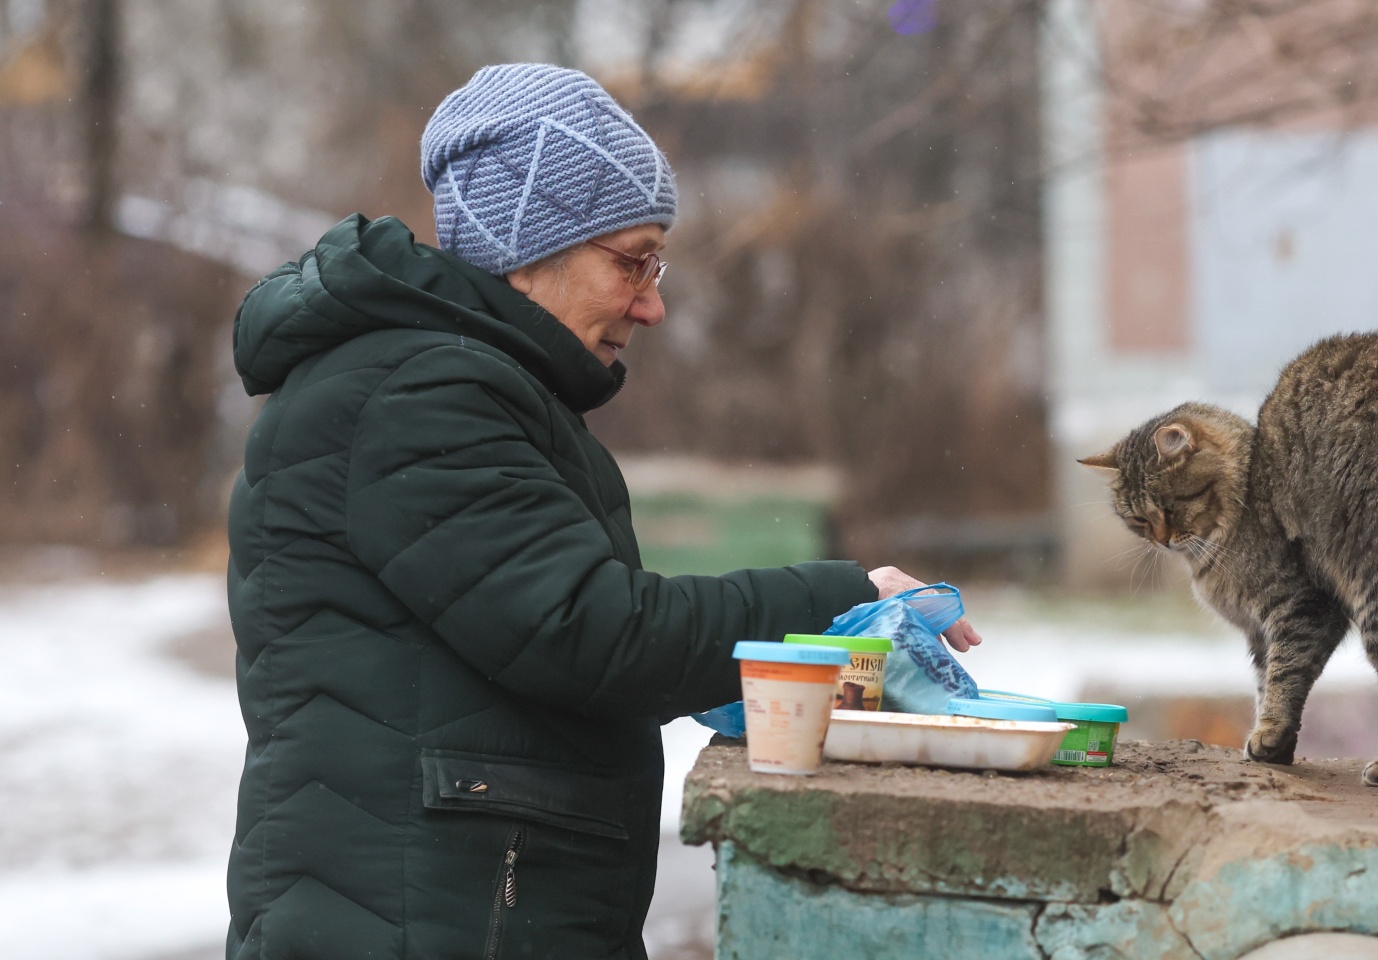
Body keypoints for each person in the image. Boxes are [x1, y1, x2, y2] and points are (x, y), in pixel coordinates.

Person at [224, 63, 979, 959]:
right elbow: (590, 633)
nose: (653, 303)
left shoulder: (446, 381)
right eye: (633, 259)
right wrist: (832, 603)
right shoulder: (417, 392)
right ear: (524, 246)